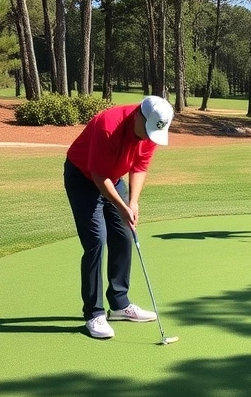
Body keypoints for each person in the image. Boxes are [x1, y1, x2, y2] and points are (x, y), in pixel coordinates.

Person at [64, 96, 173, 339]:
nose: (148, 138)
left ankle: (119, 303)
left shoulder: (152, 130)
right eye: (146, 131)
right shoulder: (108, 126)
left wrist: (133, 202)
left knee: (124, 234)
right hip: (83, 178)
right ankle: (94, 313)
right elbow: (98, 175)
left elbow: (140, 167)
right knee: (96, 241)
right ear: (138, 116)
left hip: (112, 179)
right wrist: (121, 206)